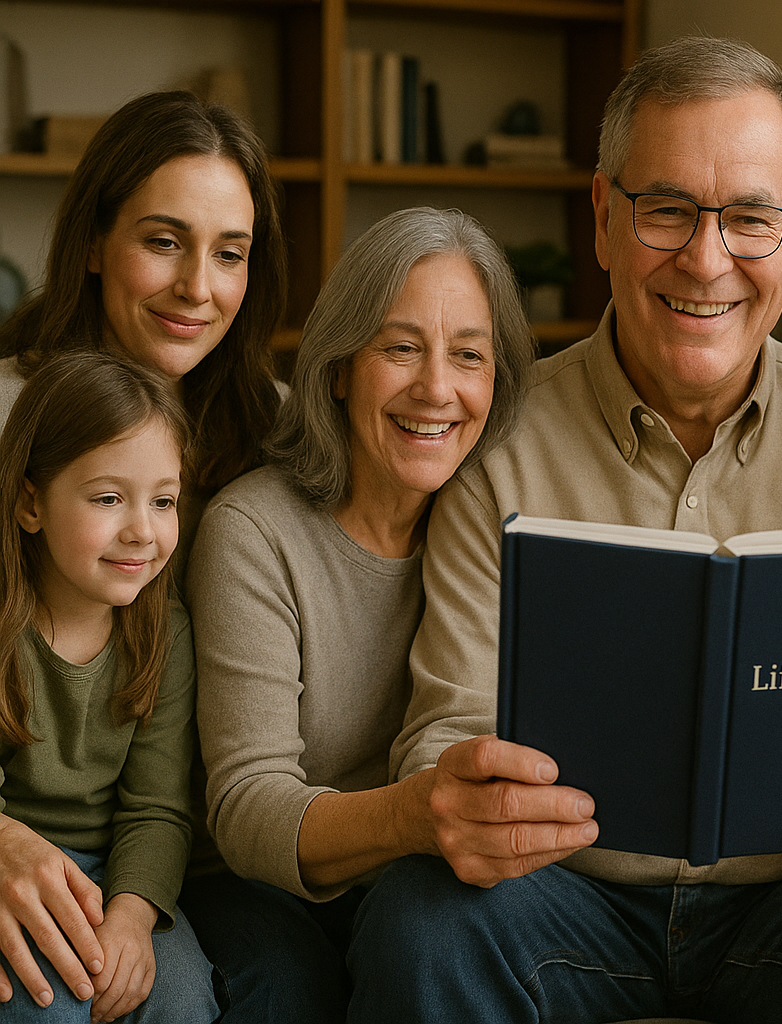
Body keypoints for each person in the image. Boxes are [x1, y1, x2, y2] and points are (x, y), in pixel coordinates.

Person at [345, 36, 782, 1024]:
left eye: (751, 219)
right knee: (416, 918)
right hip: (562, 890)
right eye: (669, 209)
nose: (706, 257)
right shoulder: (494, 436)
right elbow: (445, 719)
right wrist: (459, 790)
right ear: (603, 217)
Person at [176, 207, 532, 1022]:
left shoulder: (498, 527)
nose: (435, 388)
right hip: (257, 886)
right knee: (289, 985)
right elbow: (246, 806)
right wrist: (415, 813)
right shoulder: (253, 531)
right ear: (338, 368)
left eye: (468, 356)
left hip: (424, 887)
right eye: (399, 347)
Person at [0, 351, 217, 1022]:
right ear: (31, 502)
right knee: (52, 1008)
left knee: (180, 999)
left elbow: (156, 809)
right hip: (14, 864)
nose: (142, 532)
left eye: (163, 501)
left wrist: (131, 916)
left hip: (116, 875)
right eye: (107, 498)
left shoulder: (166, 634)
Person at [0, 89, 285, 508]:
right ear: (93, 244)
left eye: (228, 254)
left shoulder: (282, 424)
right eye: (164, 242)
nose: (197, 288)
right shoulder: (7, 415)